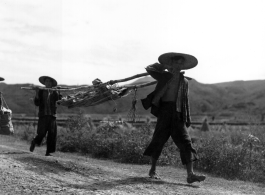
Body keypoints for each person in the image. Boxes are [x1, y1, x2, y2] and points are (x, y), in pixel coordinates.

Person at [141, 52, 206, 184]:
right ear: (172, 63)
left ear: (183, 66)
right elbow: (149, 68)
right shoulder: (164, 75)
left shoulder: (185, 81)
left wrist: (187, 117)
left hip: (178, 113)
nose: (179, 65)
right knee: (158, 140)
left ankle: (190, 175)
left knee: (186, 143)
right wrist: (164, 66)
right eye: (176, 62)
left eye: (181, 63)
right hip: (164, 111)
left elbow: (185, 101)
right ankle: (152, 170)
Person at [30, 76, 62, 156]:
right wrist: (37, 93)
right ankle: (35, 141)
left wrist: (58, 91)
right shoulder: (41, 91)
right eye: (46, 82)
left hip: (52, 115)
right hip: (43, 115)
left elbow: (59, 101)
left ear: (52, 84)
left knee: (52, 133)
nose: (48, 83)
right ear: (44, 83)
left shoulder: (55, 91)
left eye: (49, 82)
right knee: (41, 133)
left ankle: (49, 152)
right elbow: (37, 103)